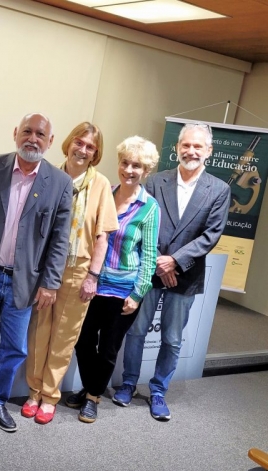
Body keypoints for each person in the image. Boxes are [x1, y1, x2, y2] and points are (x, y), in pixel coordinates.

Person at [0, 113, 72, 436]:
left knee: (14, 348)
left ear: (50, 142)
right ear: (15, 134)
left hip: (26, 280)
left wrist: (51, 282)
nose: (32, 138)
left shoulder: (61, 183)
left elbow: (59, 238)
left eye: (40, 134)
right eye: (27, 131)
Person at [113, 123, 230, 421]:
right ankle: (128, 384)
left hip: (185, 276)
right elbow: (144, 224)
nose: (191, 151)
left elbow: (210, 235)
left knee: (173, 338)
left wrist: (175, 261)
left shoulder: (219, 190)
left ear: (209, 152)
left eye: (198, 146)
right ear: (176, 148)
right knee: (137, 331)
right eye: (186, 145)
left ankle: (158, 391)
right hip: (150, 271)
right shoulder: (155, 182)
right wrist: (160, 262)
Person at [23, 122, 119, 425]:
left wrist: (93, 276)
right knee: (39, 332)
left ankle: (50, 397)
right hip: (45, 266)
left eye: (91, 147)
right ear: (69, 143)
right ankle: (33, 392)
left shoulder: (101, 184)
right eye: (80, 142)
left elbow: (103, 236)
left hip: (79, 268)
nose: (83, 150)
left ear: (96, 153)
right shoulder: (49, 174)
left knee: (64, 338)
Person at [65, 136, 160, 423]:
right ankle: (92, 386)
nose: (129, 169)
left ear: (146, 171)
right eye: (125, 163)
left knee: (108, 348)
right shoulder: (105, 192)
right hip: (92, 284)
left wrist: (138, 293)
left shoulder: (150, 207)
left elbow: (150, 255)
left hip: (123, 291)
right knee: (81, 341)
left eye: (137, 166)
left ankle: (92, 397)